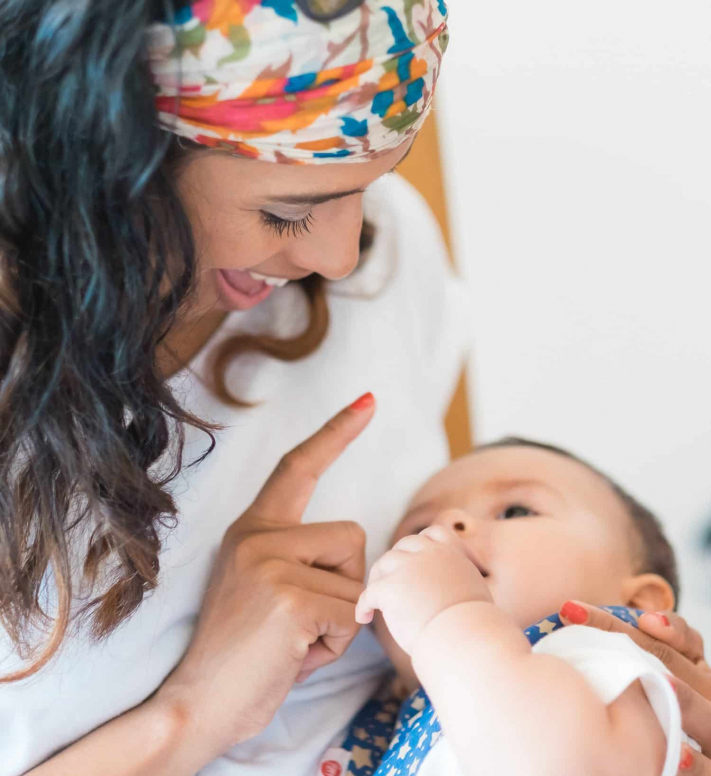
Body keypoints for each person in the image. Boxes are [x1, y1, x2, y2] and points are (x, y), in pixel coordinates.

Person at [0, 2, 710, 775]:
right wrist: (193, 710)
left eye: (369, 187)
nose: (343, 258)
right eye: (285, 211)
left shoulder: (383, 255)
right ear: (99, 171)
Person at [350, 438, 696, 776]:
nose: (446, 523)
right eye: (418, 529)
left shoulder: (605, 659)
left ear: (638, 604)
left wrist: (449, 615)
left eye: (515, 511)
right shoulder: (385, 728)